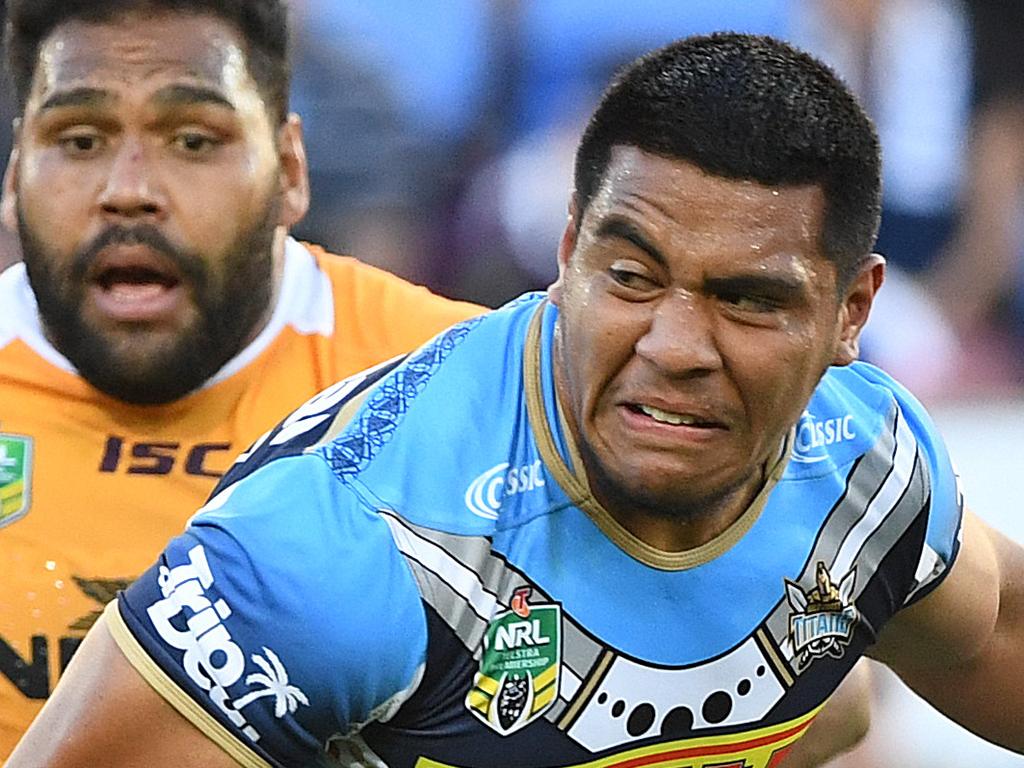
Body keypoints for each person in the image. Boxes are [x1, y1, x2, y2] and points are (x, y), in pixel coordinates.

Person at [9, 31, 1006, 768]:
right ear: (567, 251)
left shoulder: (871, 474)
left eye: (747, 300)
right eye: (630, 278)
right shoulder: (349, 551)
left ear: (851, 312)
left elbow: (909, 678)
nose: (672, 347)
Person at [0, 0, 483, 758]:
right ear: (14, 174)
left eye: (193, 140)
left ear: (290, 172)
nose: (129, 190)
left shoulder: (447, 382)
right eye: (81, 139)